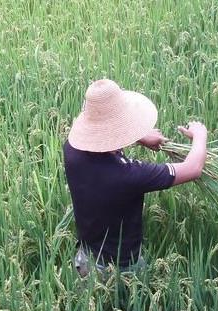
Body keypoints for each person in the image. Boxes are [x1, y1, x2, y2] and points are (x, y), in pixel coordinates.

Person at [63, 79, 207, 278]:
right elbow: (193, 168)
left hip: (87, 258)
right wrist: (200, 136)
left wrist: (140, 136)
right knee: (135, 306)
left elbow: (102, 134)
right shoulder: (128, 176)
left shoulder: (72, 149)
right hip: (123, 267)